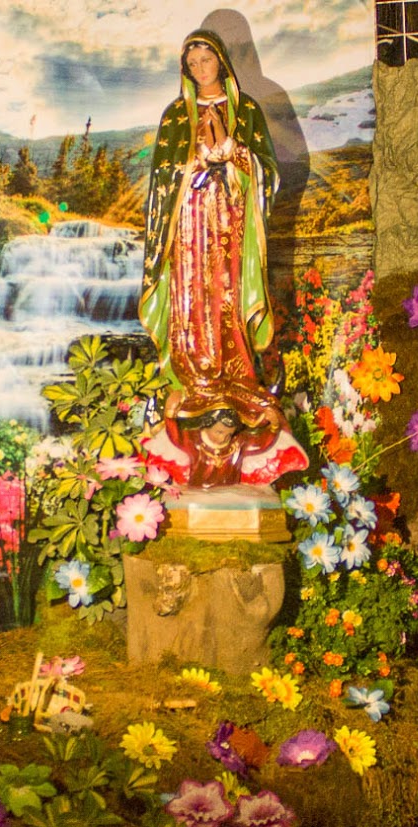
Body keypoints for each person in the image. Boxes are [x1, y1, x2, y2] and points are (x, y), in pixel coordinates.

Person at [140, 29, 305, 488]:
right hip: (190, 227)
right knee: (193, 300)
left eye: (205, 59)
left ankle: (235, 378)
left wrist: (236, 156)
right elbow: (160, 181)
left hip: (231, 226)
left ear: (220, 61)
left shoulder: (245, 110)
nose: (199, 68)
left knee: (227, 298)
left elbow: (269, 174)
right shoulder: (176, 115)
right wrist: (189, 166)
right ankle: (193, 377)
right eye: (191, 63)